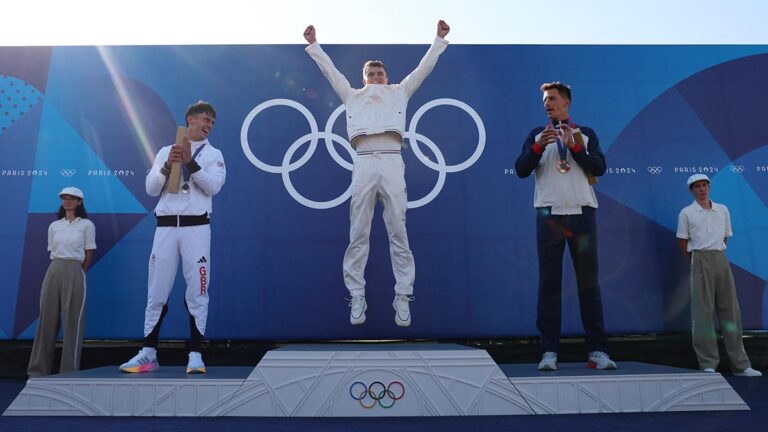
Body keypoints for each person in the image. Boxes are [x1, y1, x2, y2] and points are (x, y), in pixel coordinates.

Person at [303, 20, 450, 327]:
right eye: (370, 73)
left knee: (398, 228)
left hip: (393, 159)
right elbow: (330, 71)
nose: (376, 76)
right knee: (359, 231)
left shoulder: (400, 92)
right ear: (364, 78)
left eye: (380, 73)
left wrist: (438, 40)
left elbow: (424, 68)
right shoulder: (352, 95)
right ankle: (357, 295)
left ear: (387, 77)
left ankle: (403, 295)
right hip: (364, 161)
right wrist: (315, 45)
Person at [515, 82, 616, 371]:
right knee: (549, 285)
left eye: (553, 99)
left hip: (582, 213)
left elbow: (598, 167)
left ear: (567, 103)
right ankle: (549, 352)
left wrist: (573, 146)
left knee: (589, 284)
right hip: (549, 215)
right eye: (545, 100)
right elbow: (521, 169)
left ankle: (598, 350)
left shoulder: (586, 134)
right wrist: (537, 147)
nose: (548, 103)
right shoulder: (537, 134)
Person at [120, 101, 226, 374]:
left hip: (196, 229)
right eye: (205, 119)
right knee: (156, 290)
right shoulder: (166, 151)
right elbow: (151, 188)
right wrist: (169, 165)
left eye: (212, 122)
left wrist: (190, 162)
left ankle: (195, 354)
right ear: (189, 119)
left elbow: (213, 186)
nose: (208, 125)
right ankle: (148, 352)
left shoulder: (214, 154)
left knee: (197, 291)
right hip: (166, 228)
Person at [676, 174, 762, 376]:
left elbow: (725, 236)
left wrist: (715, 253)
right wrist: (697, 260)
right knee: (703, 313)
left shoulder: (722, 210)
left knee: (731, 311)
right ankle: (708, 364)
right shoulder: (686, 213)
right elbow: (682, 241)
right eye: (697, 186)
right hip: (699, 258)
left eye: (705, 185)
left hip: (720, 258)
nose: (702, 189)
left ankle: (741, 365)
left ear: (709, 187)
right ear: (692, 190)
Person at [27, 187, 96, 377]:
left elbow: (89, 252)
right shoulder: (54, 226)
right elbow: (52, 250)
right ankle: (38, 370)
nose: (67, 201)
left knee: (73, 321)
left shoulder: (87, 225)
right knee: (46, 321)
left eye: (72, 199)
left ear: (79, 202)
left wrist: (78, 273)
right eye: (64, 198)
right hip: (54, 269)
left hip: (75, 269)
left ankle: (69, 371)